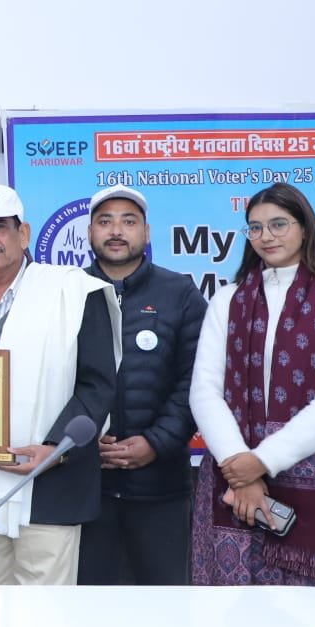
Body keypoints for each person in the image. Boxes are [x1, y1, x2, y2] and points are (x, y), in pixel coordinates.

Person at [190, 183, 315, 589]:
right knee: (231, 613)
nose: (266, 236)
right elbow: (204, 391)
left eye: (278, 224)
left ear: (305, 228)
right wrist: (240, 469)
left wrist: (261, 462)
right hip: (231, 475)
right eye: (255, 228)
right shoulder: (227, 300)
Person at [0, 185, 118, 586]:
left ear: (24, 233)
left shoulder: (73, 292)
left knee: (43, 614)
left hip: (50, 485)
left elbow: (97, 385)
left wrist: (56, 449)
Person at [78, 185, 206, 585]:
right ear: (90, 233)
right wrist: (82, 444)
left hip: (161, 487)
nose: (116, 231)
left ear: (146, 233)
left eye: (128, 222)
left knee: (165, 608)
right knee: (87, 609)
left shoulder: (179, 292)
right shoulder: (67, 291)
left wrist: (155, 442)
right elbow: (52, 380)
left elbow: (197, 380)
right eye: (105, 221)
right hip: (86, 490)